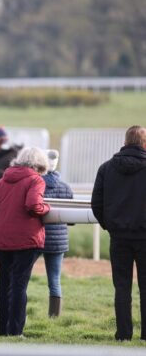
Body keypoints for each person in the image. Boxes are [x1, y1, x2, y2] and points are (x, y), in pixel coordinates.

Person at [0, 147, 50, 337]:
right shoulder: (36, 179)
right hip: (27, 240)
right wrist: (46, 207)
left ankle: (2, 331)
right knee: (19, 286)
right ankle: (15, 332)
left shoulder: (3, 180)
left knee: (4, 285)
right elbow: (33, 205)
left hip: (3, 240)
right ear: (38, 165)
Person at [91, 125, 146, 341]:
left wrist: (110, 225)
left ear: (125, 143)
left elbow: (97, 204)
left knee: (122, 287)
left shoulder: (106, 168)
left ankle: (123, 334)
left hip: (119, 237)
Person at [41, 150, 73, 317]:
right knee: (55, 280)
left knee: (21, 278)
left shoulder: (35, 184)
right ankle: (54, 317)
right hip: (58, 241)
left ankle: (16, 312)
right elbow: (73, 219)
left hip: (37, 237)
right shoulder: (65, 188)